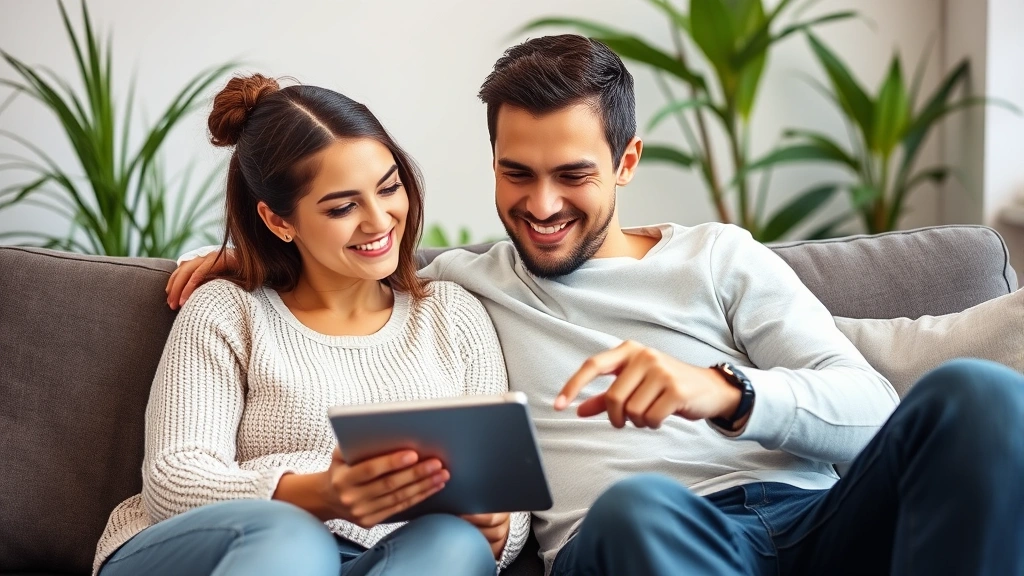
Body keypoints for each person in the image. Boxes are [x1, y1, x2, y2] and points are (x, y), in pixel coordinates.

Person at [170, 37, 1024, 576]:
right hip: (632, 541)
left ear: (625, 161)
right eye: (517, 173)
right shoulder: (467, 289)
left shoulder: (719, 257)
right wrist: (251, 252)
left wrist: (721, 391)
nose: (541, 206)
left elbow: (874, 412)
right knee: (641, 504)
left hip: (809, 520)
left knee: (984, 396)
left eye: (573, 174)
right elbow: (347, 256)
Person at [93, 74, 530, 576]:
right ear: (279, 221)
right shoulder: (229, 311)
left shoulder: (453, 315)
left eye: (389, 188)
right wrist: (322, 495)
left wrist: (498, 525)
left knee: (457, 543)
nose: (379, 221)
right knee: (293, 536)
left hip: (388, 558)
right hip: (218, 547)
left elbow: (503, 488)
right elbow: (173, 480)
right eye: (343, 206)